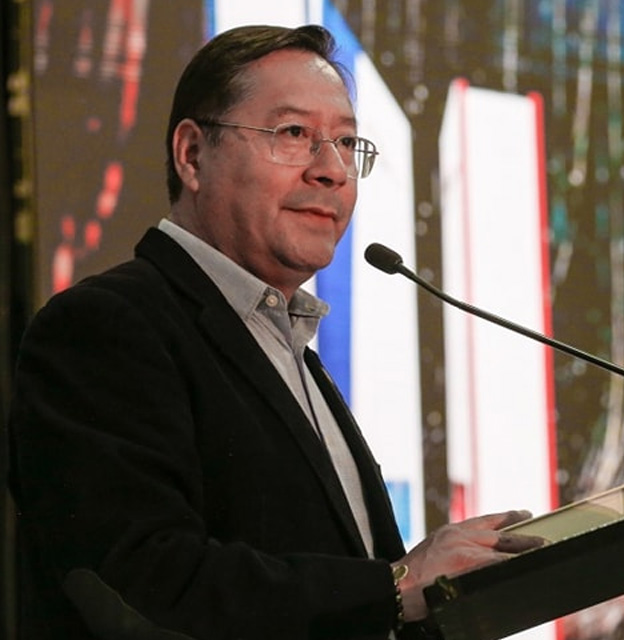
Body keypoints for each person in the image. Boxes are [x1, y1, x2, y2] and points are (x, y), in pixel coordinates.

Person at [8, 24, 543, 639]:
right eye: (294, 134)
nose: (333, 171)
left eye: (347, 143)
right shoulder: (106, 327)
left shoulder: (287, 347)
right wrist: (396, 585)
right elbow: (142, 583)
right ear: (192, 155)